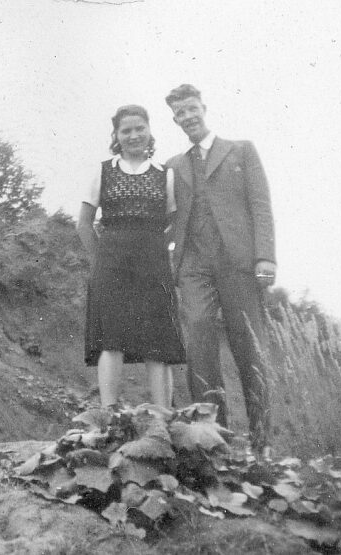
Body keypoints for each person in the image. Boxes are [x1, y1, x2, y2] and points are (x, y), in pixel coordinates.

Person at [165, 84, 276, 453]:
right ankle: (215, 438)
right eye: (180, 113)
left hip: (237, 262)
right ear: (175, 119)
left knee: (248, 344)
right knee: (198, 339)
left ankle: (261, 442)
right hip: (193, 264)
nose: (188, 117)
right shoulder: (173, 166)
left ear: (204, 108)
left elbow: (260, 205)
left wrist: (266, 256)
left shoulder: (240, 150)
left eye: (192, 109)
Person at [77, 105, 185, 410]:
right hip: (111, 263)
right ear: (116, 135)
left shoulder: (166, 174)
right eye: (126, 130)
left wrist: (158, 248)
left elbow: (175, 223)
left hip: (153, 263)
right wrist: (101, 260)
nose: (134, 135)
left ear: (149, 131)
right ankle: (109, 413)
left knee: (158, 340)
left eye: (140, 129)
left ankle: (163, 413)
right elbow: (84, 224)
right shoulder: (103, 170)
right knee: (111, 339)